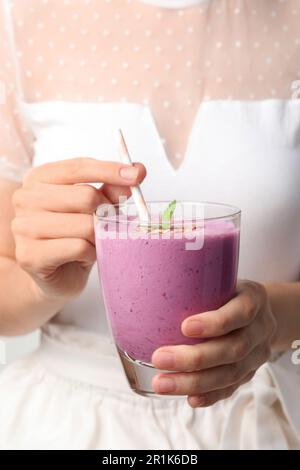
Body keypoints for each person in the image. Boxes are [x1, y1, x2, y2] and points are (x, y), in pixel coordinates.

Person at [0, 0, 300, 450]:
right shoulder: (19, 21)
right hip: (69, 426)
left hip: (263, 419)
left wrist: (271, 318)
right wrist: (43, 285)